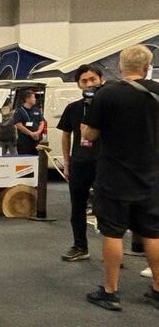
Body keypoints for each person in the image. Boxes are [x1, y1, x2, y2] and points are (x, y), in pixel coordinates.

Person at [80, 44, 159, 311]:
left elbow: (91, 135)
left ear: (120, 66)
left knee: (112, 232)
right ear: (147, 67)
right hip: (151, 174)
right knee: (152, 232)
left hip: (114, 175)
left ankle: (110, 292)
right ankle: (158, 289)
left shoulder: (107, 94)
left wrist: (85, 130)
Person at [56, 64, 103, 261]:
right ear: (78, 85)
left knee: (107, 209)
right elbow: (66, 135)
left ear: (101, 80)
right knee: (77, 208)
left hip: (104, 164)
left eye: (93, 79)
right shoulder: (73, 108)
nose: (89, 83)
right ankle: (80, 246)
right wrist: (66, 163)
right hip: (79, 164)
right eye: (84, 81)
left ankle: (112, 253)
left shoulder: (109, 107)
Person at [12, 89, 45, 155]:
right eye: (33, 97)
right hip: (25, 142)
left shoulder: (37, 110)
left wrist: (38, 132)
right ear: (27, 99)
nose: (35, 99)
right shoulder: (19, 111)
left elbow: (42, 122)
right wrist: (31, 134)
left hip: (37, 141)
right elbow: (19, 125)